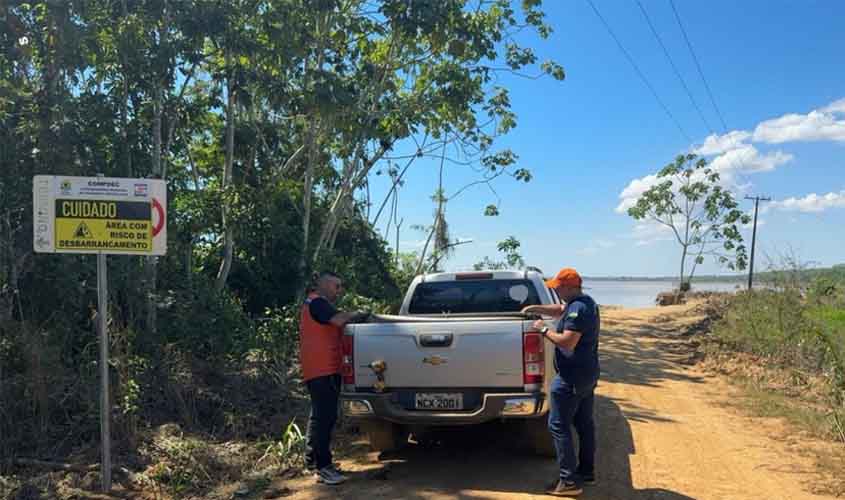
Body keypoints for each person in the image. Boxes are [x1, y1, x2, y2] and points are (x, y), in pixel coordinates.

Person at [522, 267, 600, 497]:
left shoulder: (579, 309)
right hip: (586, 374)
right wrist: (535, 308)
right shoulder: (584, 302)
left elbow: (567, 342)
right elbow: (560, 309)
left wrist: (542, 328)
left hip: (571, 377)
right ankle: (586, 473)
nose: (556, 291)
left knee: (557, 425)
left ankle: (568, 482)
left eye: (558, 287)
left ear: (569, 287)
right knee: (584, 424)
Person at [300, 271, 369, 485]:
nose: (339, 291)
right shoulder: (318, 303)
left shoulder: (313, 303)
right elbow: (339, 320)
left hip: (317, 368)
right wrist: (359, 314)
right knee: (325, 418)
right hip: (323, 369)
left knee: (318, 417)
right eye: (336, 286)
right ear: (324, 285)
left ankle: (313, 462)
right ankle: (323, 467)